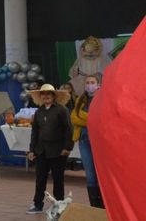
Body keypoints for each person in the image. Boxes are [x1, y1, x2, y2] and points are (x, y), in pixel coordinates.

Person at [26, 84, 73, 214]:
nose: (46, 96)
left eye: (48, 94)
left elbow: (69, 130)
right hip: (41, 151)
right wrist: (31, 150)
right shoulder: (39, 112)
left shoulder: (62, 110)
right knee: (40, 178)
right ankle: (37, 204)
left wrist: (67, 147)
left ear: (54, 96)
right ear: (40, 97)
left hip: (58, 150)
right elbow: (34, 132)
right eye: (43, 94)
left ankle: (59, 206)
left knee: (58, 179)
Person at [70, 75, 104, 208]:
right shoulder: (80, 99)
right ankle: (94, 206)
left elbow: (101, 118)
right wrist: (90, 119)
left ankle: (104, 205)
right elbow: (74, 118)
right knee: (90, 174)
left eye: (92, 82)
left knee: (100, 172)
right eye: (88, 83)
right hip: (84, 140)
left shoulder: (103, 98)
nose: (90, 85)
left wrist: (86, 118)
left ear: (98, 84)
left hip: (99, 140)